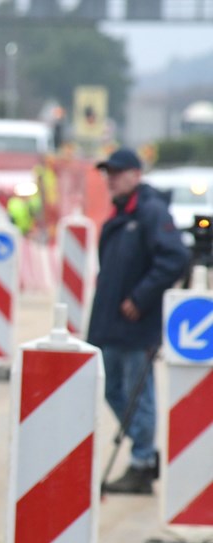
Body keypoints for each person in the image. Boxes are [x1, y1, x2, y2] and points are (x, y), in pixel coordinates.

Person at [88, 147, 189, 496]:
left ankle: (142, 461)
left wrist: (141, 298)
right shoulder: (121, 214)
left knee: (136, 394)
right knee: (111, 389)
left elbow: (174, 258)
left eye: (117, 173)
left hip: (136, 325)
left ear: (136, 175)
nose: (111, 179)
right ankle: (143, 451)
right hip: (112, 325)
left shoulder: (150, 212)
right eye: (108, 174)